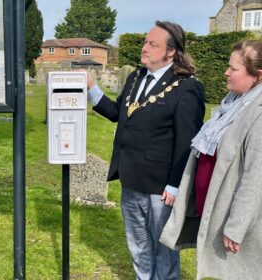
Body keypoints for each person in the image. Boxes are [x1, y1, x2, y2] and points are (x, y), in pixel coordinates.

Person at [86, 21, 205, 279]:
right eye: (145, 42)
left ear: (171, 52)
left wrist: (175, 185)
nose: (145, 48)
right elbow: (119, 113)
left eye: (153, 44)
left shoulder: (187, 87)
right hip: (130, 177)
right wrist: (92, 89)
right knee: (138, 247)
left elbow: (187, 142)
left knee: (163, 252)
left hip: (161, 187)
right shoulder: (136, 77)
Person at [160, 40, 262, 279]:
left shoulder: (257, 112)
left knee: (240, 272)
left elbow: (255, 177)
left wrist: (235, 228)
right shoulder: (232, 103)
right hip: (215, 207)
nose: (226, 72)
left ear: (257, 75)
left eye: (234, 69)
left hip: (236, 216)